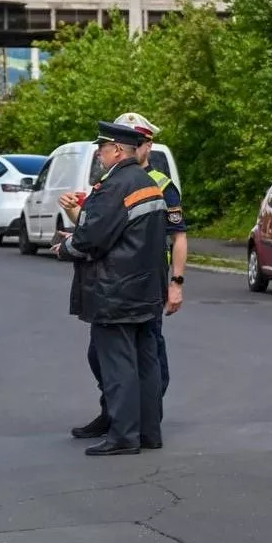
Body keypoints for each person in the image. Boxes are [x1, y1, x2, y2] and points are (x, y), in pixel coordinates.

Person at [66, 112, 187, 441]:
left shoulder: (120, 184)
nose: (99, 154)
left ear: (120, 150)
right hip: (146, 287)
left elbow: (93, 237)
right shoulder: (147, 184)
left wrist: (66, 246)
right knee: (142, 361)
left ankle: (123, 433)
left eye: (103, 148)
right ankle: (146, 430)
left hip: (118, 289)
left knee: (120, 363)